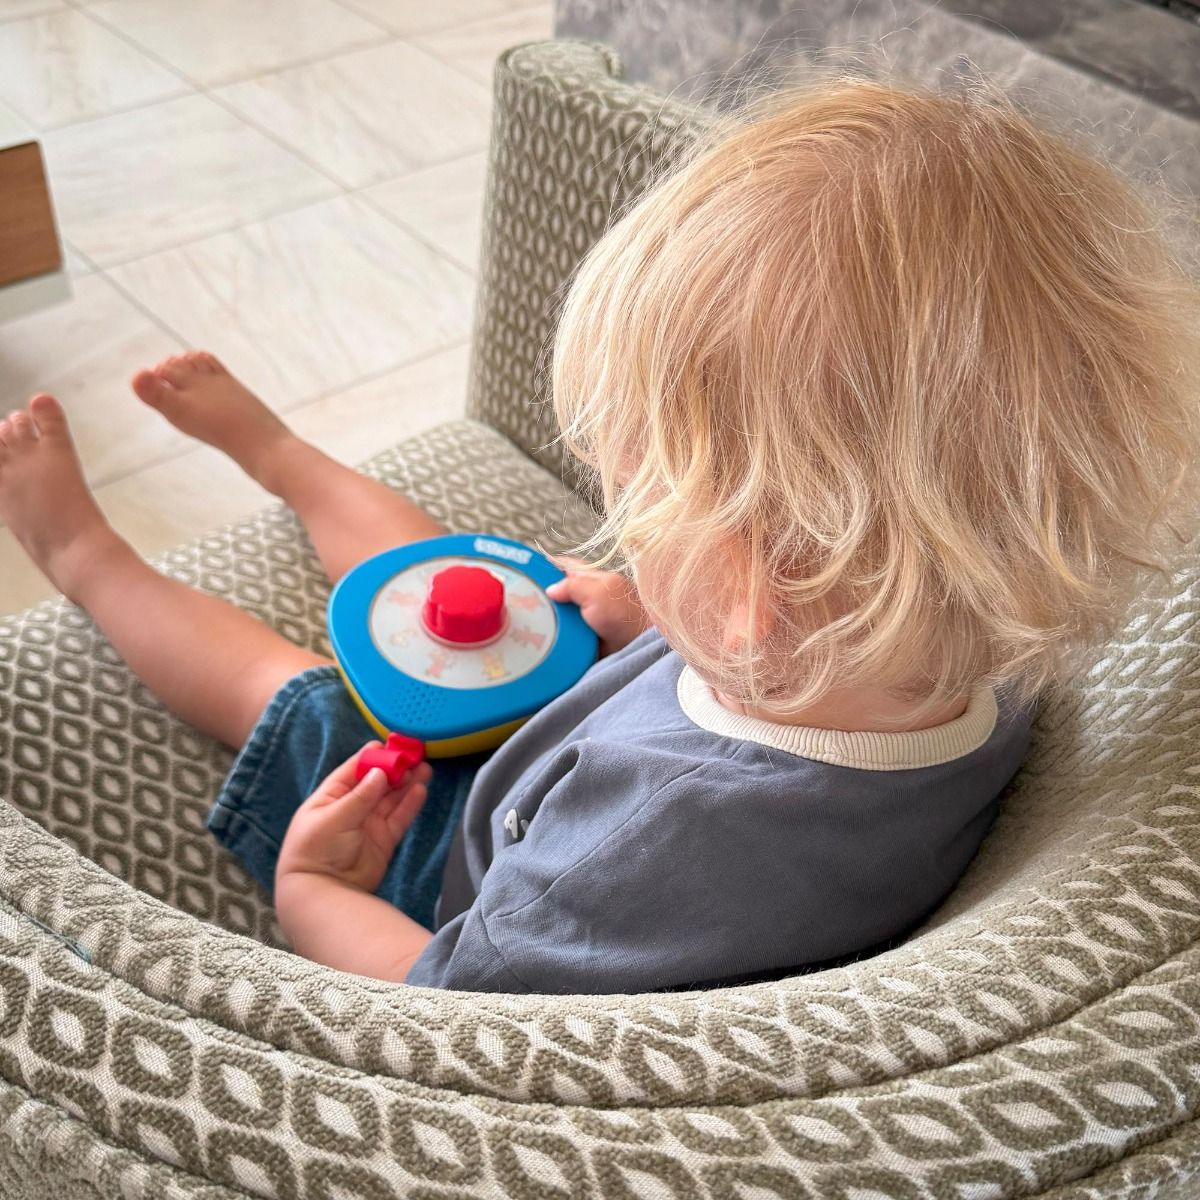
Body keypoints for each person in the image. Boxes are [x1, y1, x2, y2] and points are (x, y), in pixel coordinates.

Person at [2, 78, 1197, 993]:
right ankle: (286, 459)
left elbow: (451, 1006)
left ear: (743, 591)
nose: (619, 510)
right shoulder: (984, 649)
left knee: (303, 691)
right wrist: (652, 612)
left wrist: (314, 891)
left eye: (635, 494)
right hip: (610, 725)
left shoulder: (629, 858)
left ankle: (85, 558)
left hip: (458, 854)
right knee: (469, 585)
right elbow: (802, 631)